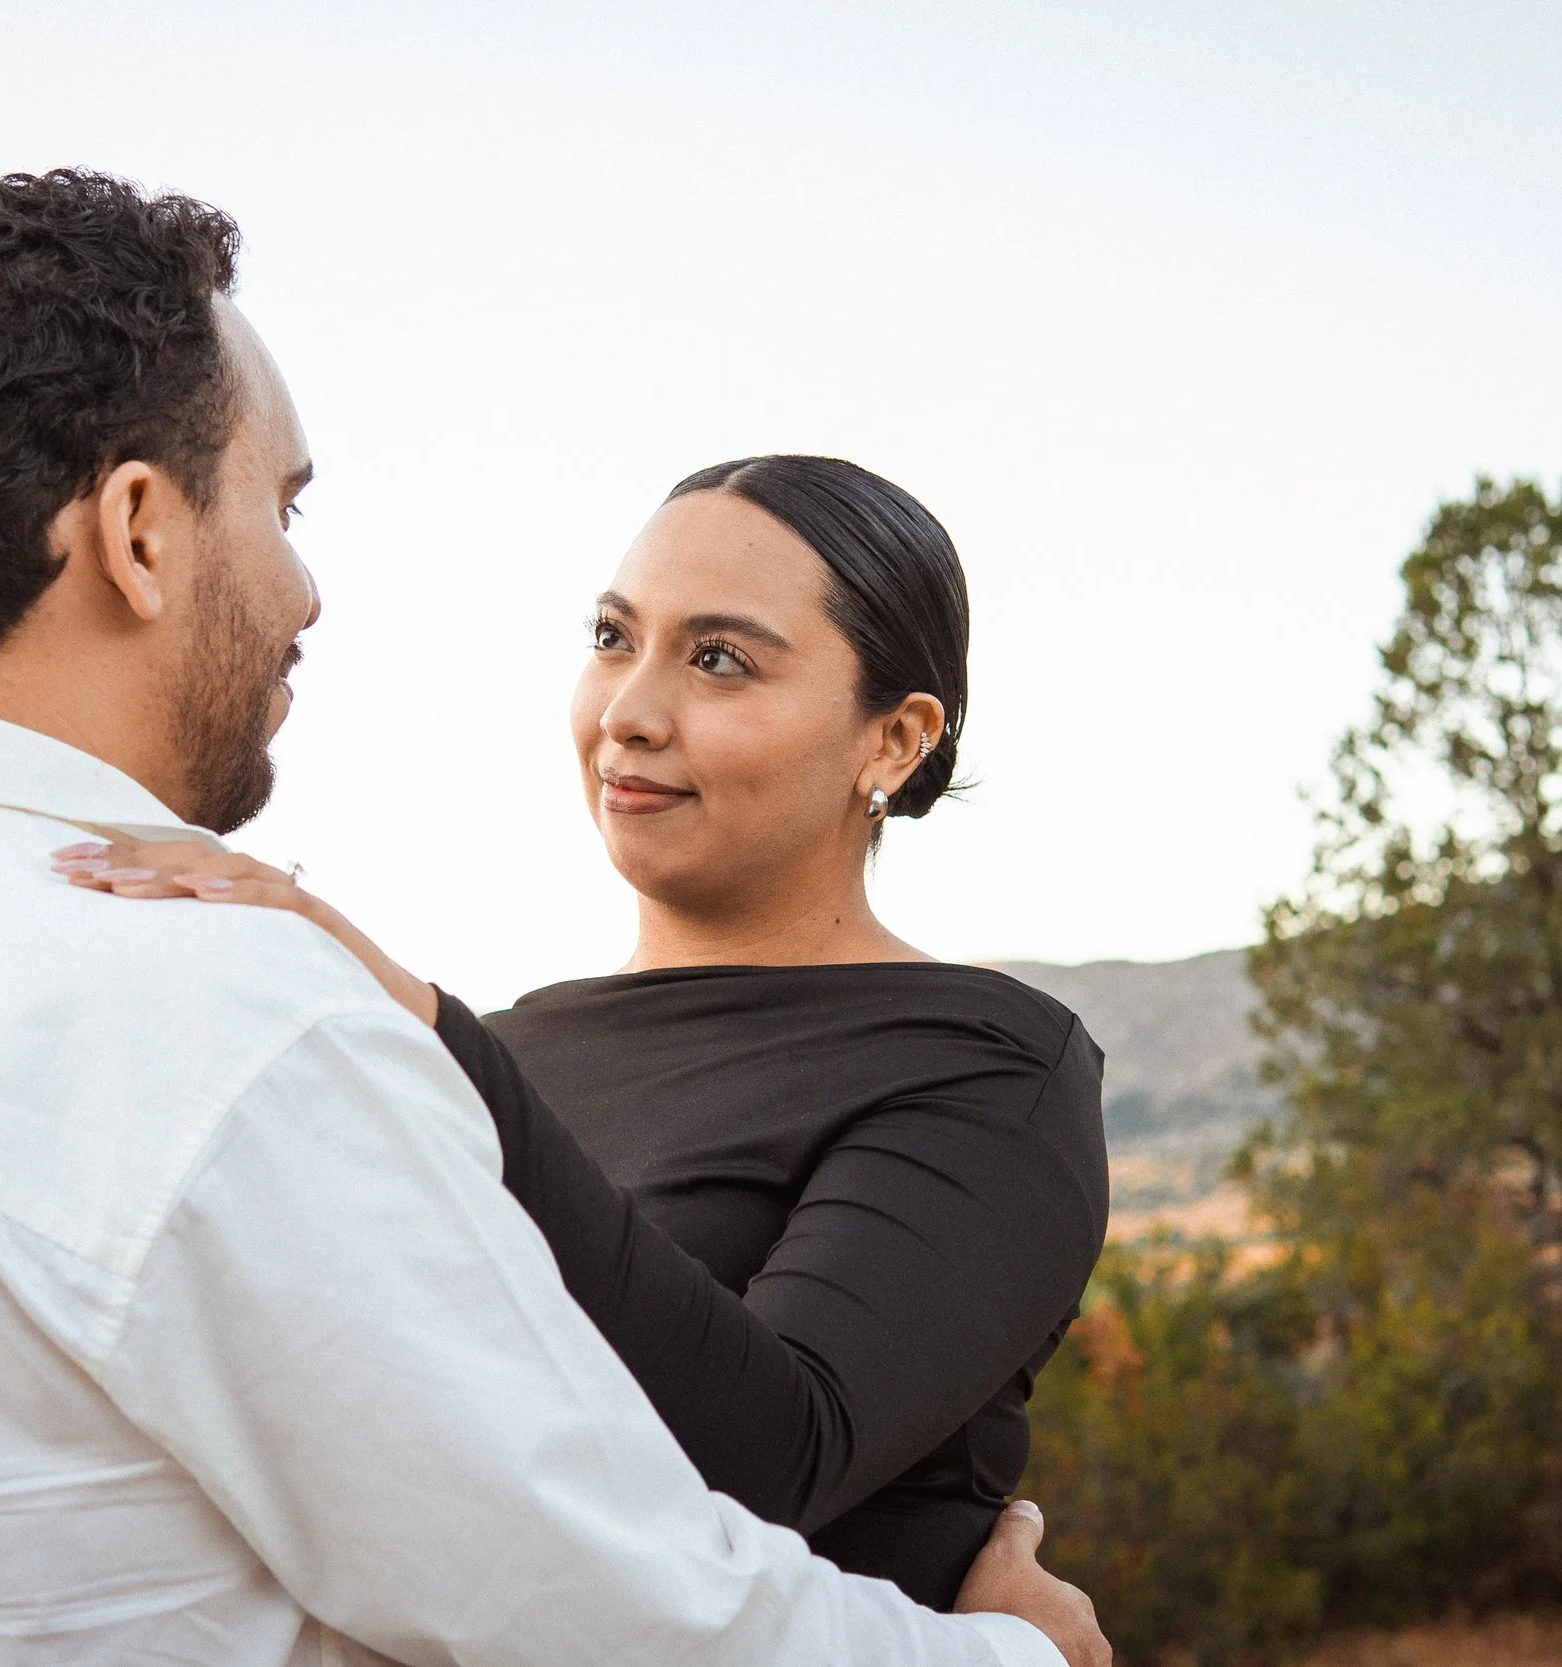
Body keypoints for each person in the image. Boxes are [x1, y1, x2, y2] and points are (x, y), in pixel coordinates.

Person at [0, 168, 1108, 1667]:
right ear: (143, 532)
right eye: (284, 504)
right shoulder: (230, 1025)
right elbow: (608, 1608)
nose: (305, 590)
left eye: (719, 658)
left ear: (896, 738)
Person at [63, 455, 1110, 1609]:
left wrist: (420, 1030)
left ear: (894, 740)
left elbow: (765, 1459)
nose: (628, 712)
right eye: (614, 638)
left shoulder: (985, 1063)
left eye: (719, 660)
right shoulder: (502, 1051)